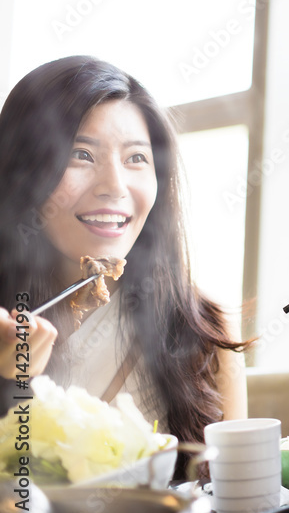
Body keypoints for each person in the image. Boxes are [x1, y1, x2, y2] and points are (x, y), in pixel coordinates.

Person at [0, 56, 249, 465]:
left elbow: (234, 502)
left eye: (136, 158)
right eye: (81, 154)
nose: (114, 186)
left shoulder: (206, 327)